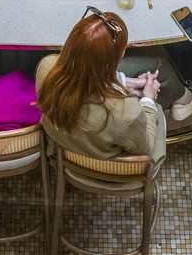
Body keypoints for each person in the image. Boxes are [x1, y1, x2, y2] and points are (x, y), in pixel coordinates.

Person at [35, 8, 167, 164]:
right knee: (157, 111)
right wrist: (148, 100)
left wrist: (126, 83)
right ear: (115, 60)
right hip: (111, 171)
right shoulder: (128, 114)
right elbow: (145, 149)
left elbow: (82, 72)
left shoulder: (46, 67)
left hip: (65, 154)